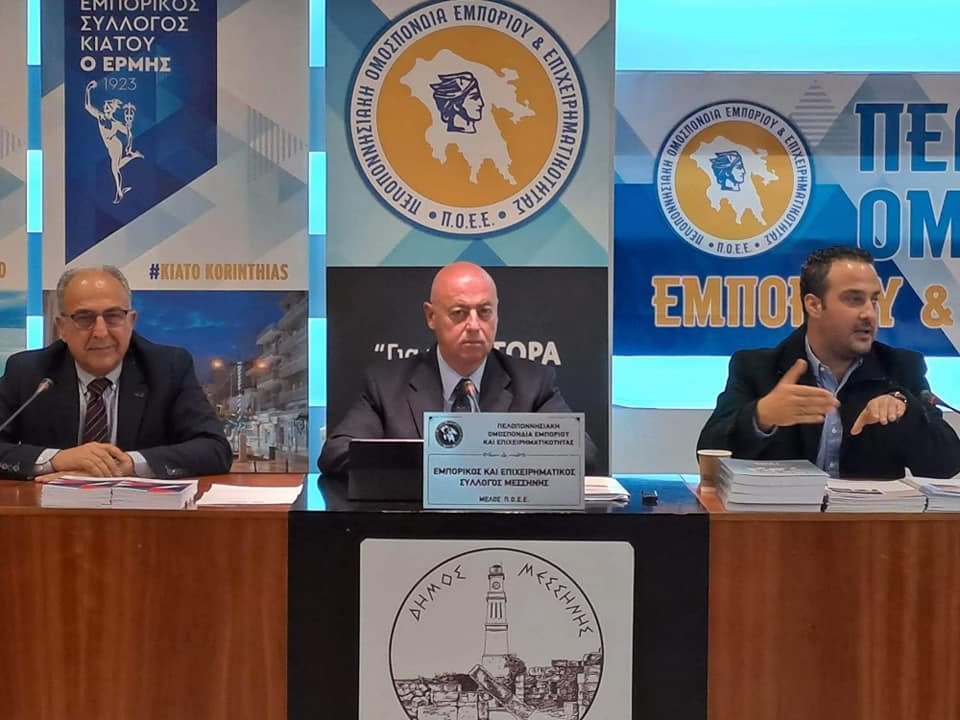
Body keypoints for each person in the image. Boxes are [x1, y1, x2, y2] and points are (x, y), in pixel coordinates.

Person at [698, 245, 960, 478]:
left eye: (873, 301)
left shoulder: (899, 368)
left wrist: (906, 411)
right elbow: (708, 454)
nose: (869, 314)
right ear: (814, 305)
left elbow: (947, 465)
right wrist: (761, 416)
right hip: (782, 517)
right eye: (854, 300)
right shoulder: (757, 368)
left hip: (869, 518)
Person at [319, 261, 598, 475]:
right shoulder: (386, 384)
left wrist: (486, 460)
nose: (474, 325)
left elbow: (582, 453)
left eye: (485, 312)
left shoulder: (533, 382)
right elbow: (337, 453)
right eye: (459, 313)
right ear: (431, 316)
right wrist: (442, 464)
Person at [0, 266, 232, 480]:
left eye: (113, 316)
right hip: (50, 508)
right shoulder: (28, 372)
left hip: (139, 508)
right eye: (84, 318)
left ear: (131, 321)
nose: (101, 332)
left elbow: (215, 449)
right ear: (62, 328)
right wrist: (57, 459)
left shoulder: (168, 367)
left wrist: (129, 464)